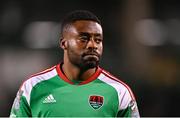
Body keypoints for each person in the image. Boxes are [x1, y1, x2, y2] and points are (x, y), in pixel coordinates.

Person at [10, 10, 140, 117]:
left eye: (98, 40)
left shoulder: (119, 92)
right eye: (84, 39)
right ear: (63, 43)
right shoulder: (32, 88)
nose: (92, 45)